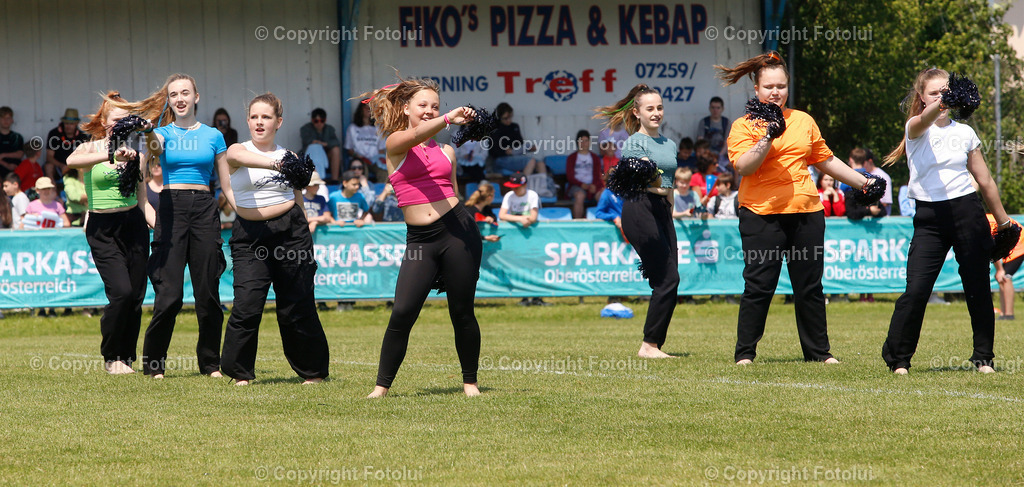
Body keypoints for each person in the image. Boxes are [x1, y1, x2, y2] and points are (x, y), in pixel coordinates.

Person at [717, 50, 874, 365]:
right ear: (756, 89)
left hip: (806, 213)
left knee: (810, 287)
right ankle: (745, 354)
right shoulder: (743, 126)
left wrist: (863, 182)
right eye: (769, 86)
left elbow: (825, 160)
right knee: (759, 286)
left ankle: (818, 353)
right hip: (761, 215)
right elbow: (744, 167)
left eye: (781, 86)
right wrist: (767, 137)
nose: (776, 92)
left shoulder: (803, 120)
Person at [881, 68, 1013, 375]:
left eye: (945, 92)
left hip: (968, 212)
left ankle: (983, 357)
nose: (941, 97)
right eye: (933, 93)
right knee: (916, 290)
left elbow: (986, 180)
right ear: (921, 97)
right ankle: (899, 359)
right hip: (929, 218)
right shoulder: (915, 127)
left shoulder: (964, 133)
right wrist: (936, 107)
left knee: (977, 286)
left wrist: (1005, 222)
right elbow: (923, 120)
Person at [358, 76, 482, 398]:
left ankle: (470, 383)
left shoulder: (446, 151)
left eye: (435, 107)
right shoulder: (395, 143)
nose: (429, 111)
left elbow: (453, 192)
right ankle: (380, 388)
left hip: (458, 232)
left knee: (462, 311)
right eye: (422, 105)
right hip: (420, 242)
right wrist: (447, 118)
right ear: (406, 108)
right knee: (402, 311)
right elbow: (414, 135)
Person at [119, 73, 227, 379]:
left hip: (205, 210)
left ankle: (211, 364)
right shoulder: (161, 134)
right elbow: (150, 152)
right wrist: (150, 215)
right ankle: (154, 365)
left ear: (196, 97)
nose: (179, 98)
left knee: (208, 293)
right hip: (170, 210)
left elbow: (226, 186)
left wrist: (245, 210)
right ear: (169, 100)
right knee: (170, 296)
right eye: (174, 94)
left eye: (185, 93)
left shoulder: (214, 136)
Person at [218, 92, 330, 386]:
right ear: (247, 120)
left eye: (266, 117)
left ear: (278, 122)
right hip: (249, 237)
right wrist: (276, 165)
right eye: (254, 116)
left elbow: (298, 198)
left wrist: (305, 237)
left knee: (298, 304)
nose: (259, 122)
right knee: (246, 303)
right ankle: (239, 372)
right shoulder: (237, 150)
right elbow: (237, 158)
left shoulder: (289, 156)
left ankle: (313, 372)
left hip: (290, 232)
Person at [65, 91, 150, 374]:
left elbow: (143, 201)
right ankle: (111, 357)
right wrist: (110, 153)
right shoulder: (90, 148)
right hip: (102, 228)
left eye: (126, 119)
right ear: (104, 120)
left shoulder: (138, 153)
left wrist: (162, 230)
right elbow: (71, 162)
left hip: (134, 226)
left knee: (136, 296)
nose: (121, 124)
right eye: (116, 119)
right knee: (122, 293)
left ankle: (126, 357)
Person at [595, 84, 680, 358]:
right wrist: (660, 190)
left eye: (659, 107)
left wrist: (670, 211)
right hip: (640, 209)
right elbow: (647, 181)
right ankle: (649, 345)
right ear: (637, 112)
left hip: (662, 210)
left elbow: (669, 185)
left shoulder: (670, 144)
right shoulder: (634, 143)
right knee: (667, 278)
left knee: (670, 279)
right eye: (650, 109)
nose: (656, 113)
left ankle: (655, 344)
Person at [497, 172, 548, 306]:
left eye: (517, 186)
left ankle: (537, 297)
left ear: (524, 185)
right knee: (519, 265)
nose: (514, 189)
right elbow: (502, 215)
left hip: (532, 236)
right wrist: (520, 218)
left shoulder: (532, 195)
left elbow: (533, 217)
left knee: (535, 264)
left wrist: (522, 219)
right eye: (512, 186)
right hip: (516, 237)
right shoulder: (509, 196)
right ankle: (524, 296)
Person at [988, 215, 1023, 321]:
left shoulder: (982, 224)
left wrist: (1000, 270)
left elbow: (993, 247)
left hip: (1019, 244)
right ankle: (1004, 313)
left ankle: (1009, 314)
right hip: (1010, 243)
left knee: (1006, 277)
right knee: (1002, 279)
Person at [487, 102, 537, 175]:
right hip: (502, 159)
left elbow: (520, 144)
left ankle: (544, 185)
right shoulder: (495, 129)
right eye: (505, 118)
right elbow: (492, 151)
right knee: (530, 161)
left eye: (510, 117)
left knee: (540, 163)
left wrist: (529, 148)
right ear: (499, 117)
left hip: (516, 156)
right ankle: (524, 184)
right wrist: (505, 151)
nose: (508, 120)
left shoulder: (514, 126)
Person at [345, 103, 387, 183]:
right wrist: (358, 156)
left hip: (374, 160)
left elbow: (381, 150)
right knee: (362, 169)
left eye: (371, 108)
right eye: (366, 108)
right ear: (360, 110)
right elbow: (349, 149)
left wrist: (380, 159)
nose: (369, 110)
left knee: (383, 171)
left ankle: (382, 192)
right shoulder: (352, 128)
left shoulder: (378, 128)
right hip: (360, 159)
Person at [45, 108, 91, 181]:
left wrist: (72, 166)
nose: (68, 126)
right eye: (66, 123)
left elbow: (85, 157)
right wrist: (61, 165)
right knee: (48, 166)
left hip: (75, 167)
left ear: (76, 124)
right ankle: (52, 189)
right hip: (58, 167)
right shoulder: (54, 134)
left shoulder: (82, 136)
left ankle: (82, 189)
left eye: (71, 124)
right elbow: (49, 157)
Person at [566, 130, 603, 219]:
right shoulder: (572, 158)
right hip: (577, 185)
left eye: (586, 140)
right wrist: (582, 185)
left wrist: (594, 185)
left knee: (603, 195)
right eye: (581, 141)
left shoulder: (595, 158)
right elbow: (570, 177)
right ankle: (578, 224)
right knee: (580, 196)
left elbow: (598, 174)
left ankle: (602, 221)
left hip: (593, 185)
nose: (584, 143)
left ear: (589, 142)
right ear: (577, 142)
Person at [300, 108, 341, 182]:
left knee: (336, 150)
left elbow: (336, 142)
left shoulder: (330, 129)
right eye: (316, 121)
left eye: (322, 121)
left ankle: (335, 179)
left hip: (326, 156)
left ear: (325, 120)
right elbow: (307, 141)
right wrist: (317, 143)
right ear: (312, 120)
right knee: (315, 148)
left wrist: (325, 144)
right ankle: (315, 179)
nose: (319, 123)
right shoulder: (305, 128)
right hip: (310, 156)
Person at [695, 96, 730, 166]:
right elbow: (700, 141)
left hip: (722, 155)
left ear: (722, 109)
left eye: (718, 108)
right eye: (713, 107)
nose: (715, 110)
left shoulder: (726, 122)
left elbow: (727, 141)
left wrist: (720, 155)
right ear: (709, 108)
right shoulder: (704, 122)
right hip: (706, 155)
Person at [862, 150, 892, 215]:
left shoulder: (883, 176)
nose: (861, 165)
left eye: (863, 162)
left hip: (880, 218)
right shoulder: (861, 175)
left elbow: (886, 203)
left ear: (870, 161)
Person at [0, 106, 24, 178]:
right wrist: (6, 165)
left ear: (12, 120)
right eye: (2, 118)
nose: (5, 120)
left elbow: (20, 154)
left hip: (15, 168)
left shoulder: (17, 137)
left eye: (8, 118)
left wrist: (3, 155)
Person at [143, 158, 163, 226]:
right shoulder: (144, 187)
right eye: (152, 164)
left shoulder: (170, 187)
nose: (156, 166)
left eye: (159, 164)